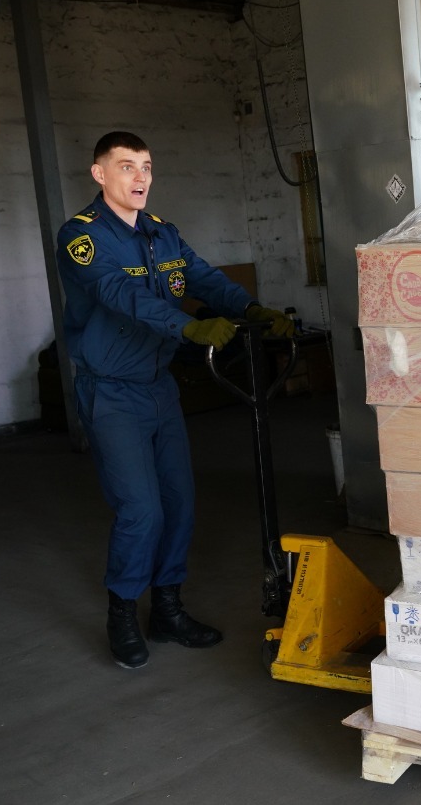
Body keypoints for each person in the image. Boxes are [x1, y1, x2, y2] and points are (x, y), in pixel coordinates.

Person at [56, 131, 294, 669]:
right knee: (140, 509)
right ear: (99, 174)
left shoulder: (163, 234)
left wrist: (250, 309)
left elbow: (203, 278)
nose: (140, 177)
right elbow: (120, 294)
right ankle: (122, 612)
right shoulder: (82, 237)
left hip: (159, 386)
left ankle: (167, 609)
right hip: (111, 391)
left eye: (146, 166)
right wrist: (187, 327)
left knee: (179, 503)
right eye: (126, 166)